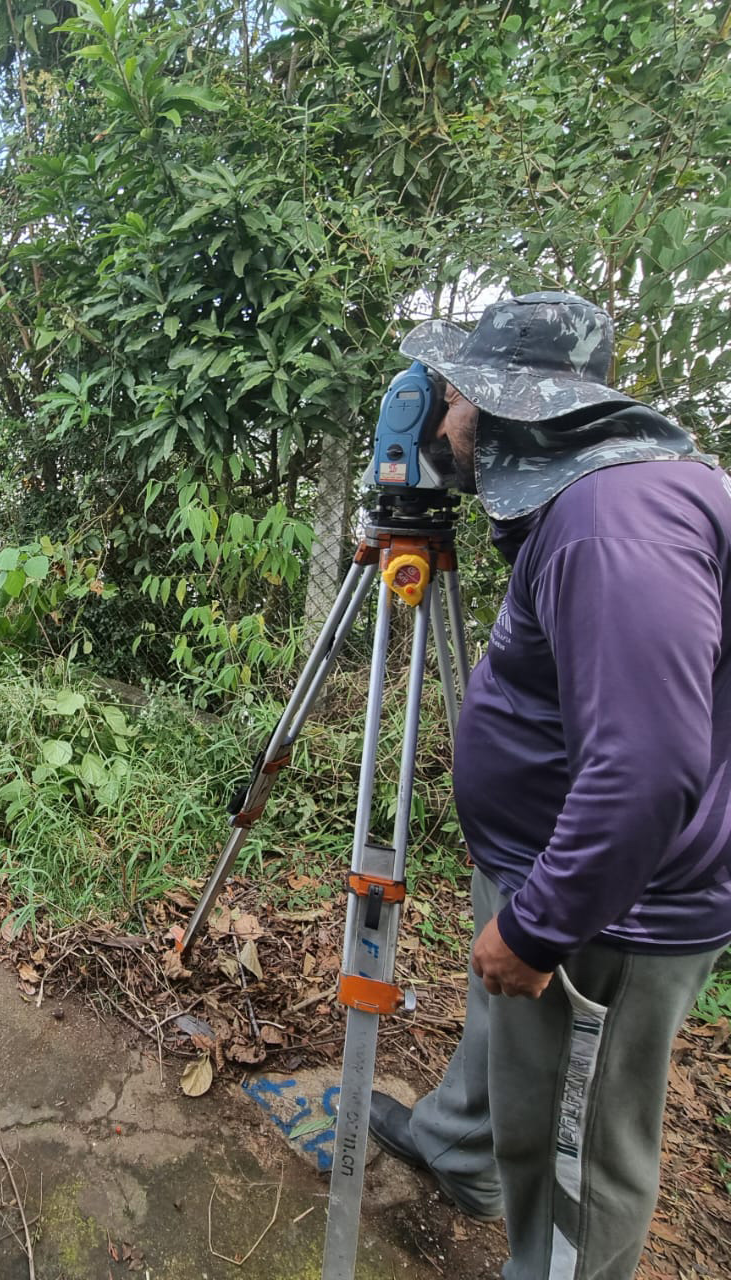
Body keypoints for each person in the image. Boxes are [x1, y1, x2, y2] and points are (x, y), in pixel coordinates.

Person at [366, 291, 731, 1279]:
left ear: (506, 405)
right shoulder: (602, 497)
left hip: (608, 915)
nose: (441, 415)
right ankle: (460, 1148)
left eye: (456, 397)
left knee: (578, 1160)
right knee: (512, 1045)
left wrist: (537, 927)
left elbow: (645, 766)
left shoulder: (612, 526)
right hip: (555, 865)